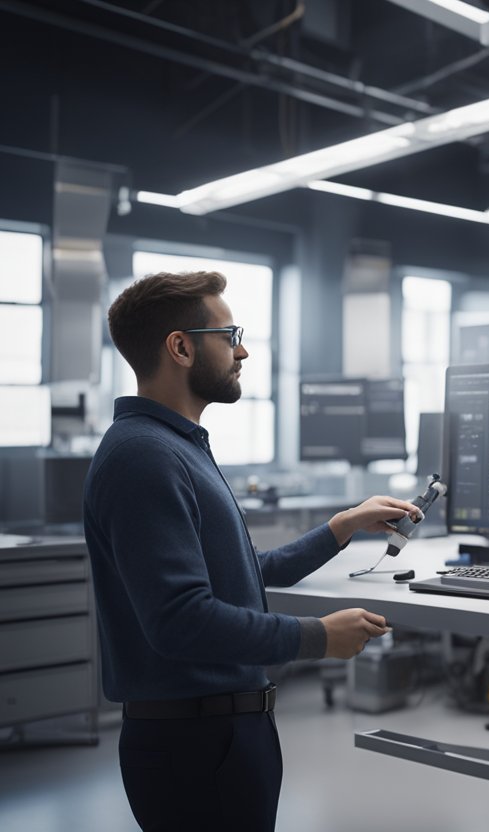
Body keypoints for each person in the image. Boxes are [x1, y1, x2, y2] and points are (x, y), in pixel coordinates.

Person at [84, 270, 419, 832]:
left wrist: (338, 528)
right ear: (181, 346)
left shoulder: (175, 446)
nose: (242, 351)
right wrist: (316, 637)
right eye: (229, 334)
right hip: (193, 745)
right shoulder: (144, 457)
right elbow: (179, 619)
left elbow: (237, 577)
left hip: (222, 734)